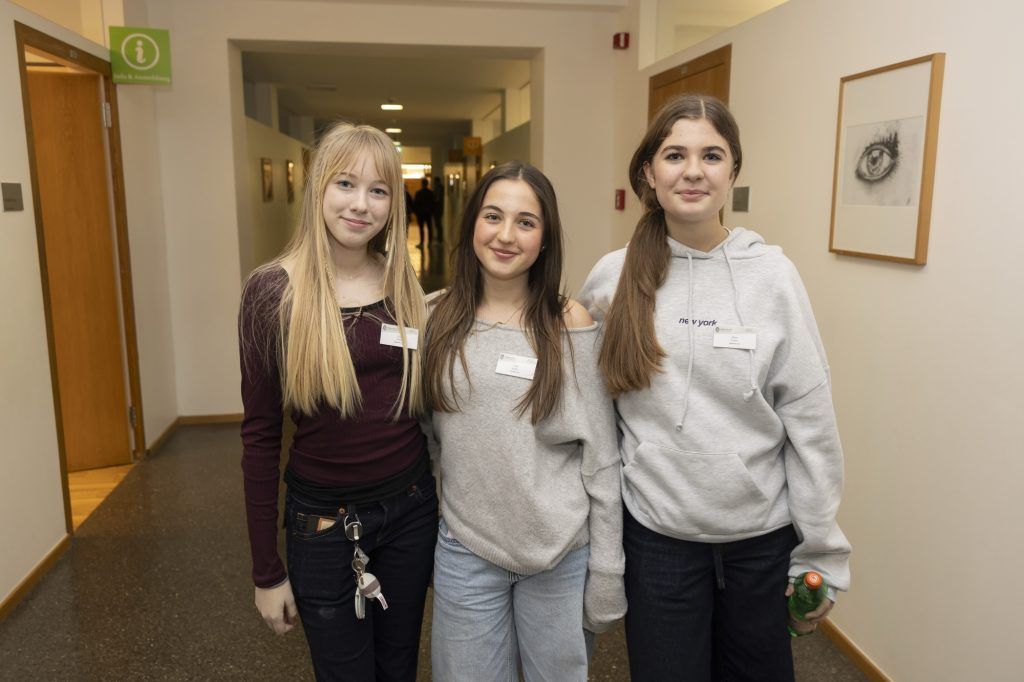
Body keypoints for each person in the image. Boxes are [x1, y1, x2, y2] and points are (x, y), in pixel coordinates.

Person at [578, 94, 852, 681]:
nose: (694, 170)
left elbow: (811, 424)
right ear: (649, 172)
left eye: (712, 155)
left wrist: (821, 551)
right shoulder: (613, 277)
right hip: (657, 541)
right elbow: (586, 409)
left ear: (734, 172)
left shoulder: (773, 277)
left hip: (760, 541)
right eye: (675, 155)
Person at [238, 122, 435, 681]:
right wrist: (266, 572)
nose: (361, 205)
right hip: (324, 527)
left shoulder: (401, 281)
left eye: (378, 190)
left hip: (412, 510)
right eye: (345, 184)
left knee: (398, 666)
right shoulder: (273, 292)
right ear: (318, 189)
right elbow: (259, 438)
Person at [424, 162, 626, 681]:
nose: (506, 236)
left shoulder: (570, 323)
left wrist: (607, 570)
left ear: (545, 238)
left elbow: (601, 455)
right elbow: (425, 440)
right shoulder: (437, 318)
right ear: (472, 224)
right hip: (466, 549)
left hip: (559, 554)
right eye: (493, 216)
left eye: (526, 222)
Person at [413, 177, 435, 247]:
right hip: (428, 213)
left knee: (421, 228)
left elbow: (415, 204)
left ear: (422, 184)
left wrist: (416, 212)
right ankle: (429, 243)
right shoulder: (430, 193)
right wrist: (432, 212)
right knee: (429, 228)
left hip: (421, 213)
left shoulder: (419, 193)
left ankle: (422, 242)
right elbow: (433, 203)